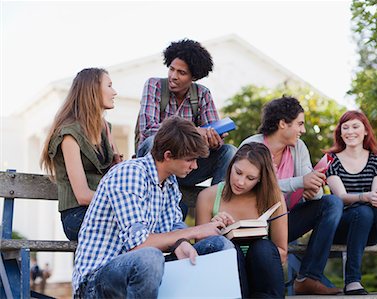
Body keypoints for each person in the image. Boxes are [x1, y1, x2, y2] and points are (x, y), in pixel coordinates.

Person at [72, 116, 235, 298]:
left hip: (140, 273)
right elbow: (139, 245)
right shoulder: (130, 174)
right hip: (96, 282)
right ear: (168, 156)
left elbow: (173, 227)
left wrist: (182, 243)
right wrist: (197, 231)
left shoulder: (169, 180)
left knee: (218, 245)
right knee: (150, 257)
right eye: (190, 159)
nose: (195, 166)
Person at [240, 96, 343, 295]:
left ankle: (308, 278)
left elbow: (311, 188)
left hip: (285, 222)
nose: (303, 130)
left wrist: (313, 188)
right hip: (255, 224)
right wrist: (299, 183)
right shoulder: (252, 147)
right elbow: (251, 189)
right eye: (299, 124)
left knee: (331, 203)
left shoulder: (299, 147)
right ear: (282, 123)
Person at [325, 110, 377, 295]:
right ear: (340, 133)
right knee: (363, 211)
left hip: (370, 230)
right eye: (345, 128)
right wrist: (365, 197)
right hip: (342, 226)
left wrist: (376, 197)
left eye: (355, 126)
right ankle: (352, 281)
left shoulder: (376, 158)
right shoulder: (332, 160)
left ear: (365, 131)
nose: (350, 131)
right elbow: (340, 197)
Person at [136, 38, 236, 188]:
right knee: (152, 141)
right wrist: (194, 132)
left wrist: (213, 140)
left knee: (229, 151)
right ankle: (154, 191)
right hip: (154, 161)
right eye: (171, 69)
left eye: (181, 72)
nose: (173, 76)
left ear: (194, 77)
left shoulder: (202, 94)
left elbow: (211, 135)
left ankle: (217, 203)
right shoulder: (154, 85)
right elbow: (148, 129)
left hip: (187, 166)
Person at [196, 142, 288, 298]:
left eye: (250, 178)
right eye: (238, 172)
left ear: (260, 179)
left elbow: (282, 253)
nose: (240, 182)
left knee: (262, 248)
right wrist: (213, 229)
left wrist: (250, 263)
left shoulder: (273, 197)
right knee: (231, 249)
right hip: (228, 276)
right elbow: (201, 252)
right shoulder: (208, 196)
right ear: (231, 166)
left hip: (262, 276)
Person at [40, 68, 119, 241]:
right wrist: (122, 201)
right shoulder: (70, 134)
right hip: (77, 216)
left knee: (142, 226)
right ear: (93, 90)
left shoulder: (105, 127)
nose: (115, 92)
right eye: (110, 86)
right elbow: (82, 195)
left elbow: (115, 175)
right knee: (134, 229)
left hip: (102, 210)